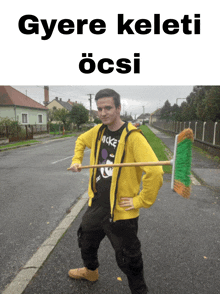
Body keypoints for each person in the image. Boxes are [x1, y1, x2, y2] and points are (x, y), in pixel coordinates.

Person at [68, 88, 163, 294]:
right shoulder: (98, 131)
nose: (103, 113)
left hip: (121, 211)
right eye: (100, 108)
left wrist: (140, 201)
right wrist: (77, 160)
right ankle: (90, 272)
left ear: (119, 108)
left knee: (130, 259)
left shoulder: (133, 137)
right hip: (97, 204)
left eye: (108, 108)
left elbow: (155, 172)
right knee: (86, 241)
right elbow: (81, 141)